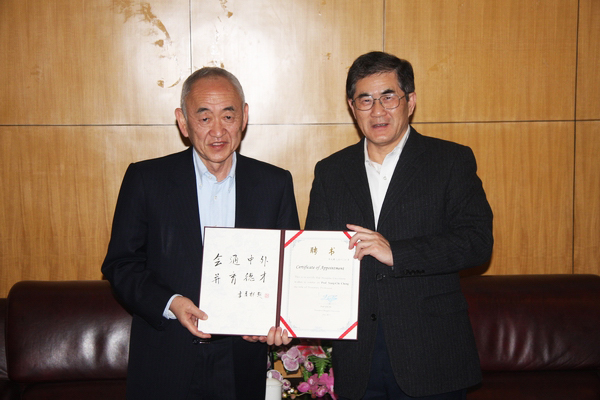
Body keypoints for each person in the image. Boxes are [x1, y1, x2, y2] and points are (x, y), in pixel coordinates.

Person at [305, 51, 493, 399]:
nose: (378, 111)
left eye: (388, 97)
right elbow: (315, 255)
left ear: (411, 102)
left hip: (431, 352)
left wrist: (398, 253)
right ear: (352, 107)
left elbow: (477, 242)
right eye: (365, 100)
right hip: (357, 354)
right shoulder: (331, 171)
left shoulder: (450, 161)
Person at [102, 67, 299, 400]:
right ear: (183, 122)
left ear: (244, 116)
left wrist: (277, 320)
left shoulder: (274, 184)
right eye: (204, 118)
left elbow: (287, 271)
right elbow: (121, 265)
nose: (217, 131)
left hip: (240, 361)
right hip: (166, 358)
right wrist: (171, 303)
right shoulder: (146, 179)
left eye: (228, 116)